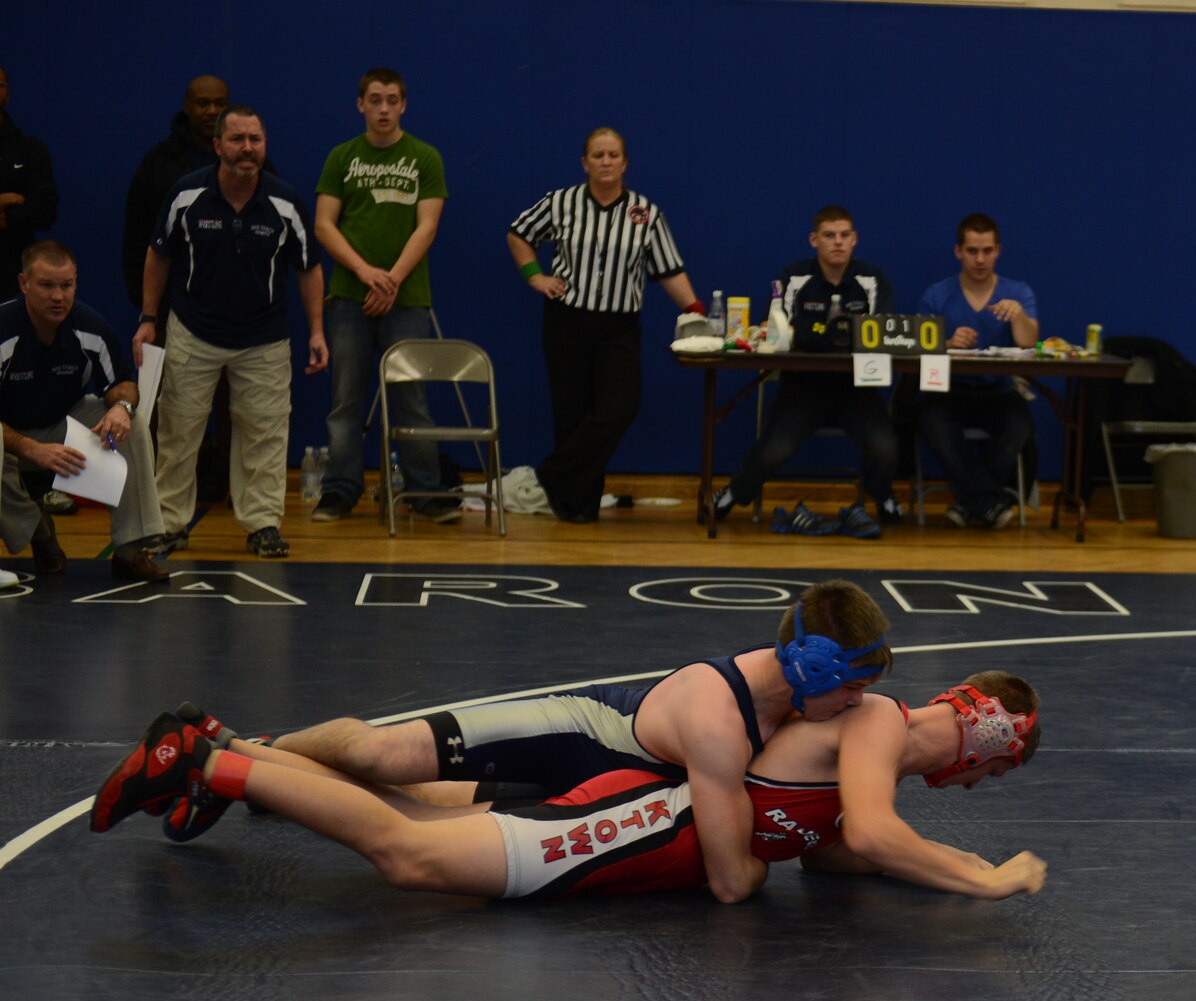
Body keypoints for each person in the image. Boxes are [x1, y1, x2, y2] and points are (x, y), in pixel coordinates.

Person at [160, 579, 895, 903]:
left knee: (416, 806)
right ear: (810, 668)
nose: (860, 704)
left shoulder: (799, 707)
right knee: (377, 758)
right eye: (853, 687)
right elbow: (731, 880)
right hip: (573, 733)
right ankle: (247, 745)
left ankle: (229, 757)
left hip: (607, 785)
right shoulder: (718, 720)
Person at [89, 673, 1048, 904]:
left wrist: (945, 861)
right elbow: (869, 836)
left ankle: (219, 750)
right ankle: (209, 762)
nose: (976, 788)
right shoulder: (879, 722)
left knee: (421, 817)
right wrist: (987, 880)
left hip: (650, 802)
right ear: (982, 740)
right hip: (650, 812)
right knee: (409, 850)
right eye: (995, 772)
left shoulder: (864, 751)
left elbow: (841, 851)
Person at [138, 105, 326, 559]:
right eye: (238, 139)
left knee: (264, 433)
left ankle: (262, 524)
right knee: (179, 431)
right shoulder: (186, 195)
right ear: (217, 145)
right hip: (193, 330)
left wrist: (317, 331)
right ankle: (169, 523)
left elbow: (309, 268)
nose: (248, 148)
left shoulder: (285, 202)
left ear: (264, 145)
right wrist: (148, 319)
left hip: (263, 337)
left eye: (255, 139)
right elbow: (157, 255)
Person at [506, 127, 706, 523]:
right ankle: (576, 508)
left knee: (620, 407)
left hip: (619, 327)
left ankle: (550, 474)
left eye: (613, 155)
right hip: (567, 322)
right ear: (585, 163)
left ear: (625, 162)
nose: (606, 162)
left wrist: (697, 310)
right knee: (571, 415)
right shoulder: (560, 203)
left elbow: (668, 269)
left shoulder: (646, 213)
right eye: (598, 155)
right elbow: (518, 234)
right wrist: (535, 276)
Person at [312, 67, 456, 524]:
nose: (384, 109)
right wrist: (364, 273)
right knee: (346, 401)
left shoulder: (424, 157)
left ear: (404, 106)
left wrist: (390, 279)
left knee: (410, 399)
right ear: (360, 104)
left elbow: (427, 226)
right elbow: (323, 225)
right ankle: (339, 492)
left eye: (392, 100)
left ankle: (425, 492)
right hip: (349, 299)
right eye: (375, 100)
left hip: (407, 298)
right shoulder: (341, 157)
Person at [708, 206, 901, 537]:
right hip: (802, 388)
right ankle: (730, 495)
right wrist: (838, 335)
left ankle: (881, 495)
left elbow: (878, 332)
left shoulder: (873, 278)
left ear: (854, 239)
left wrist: (811, 334)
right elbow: (779, 332)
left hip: (857, 388)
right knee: (774, 449)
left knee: (886, 447)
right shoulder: (793, 276)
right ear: (814, 240)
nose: (837, 243)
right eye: (829, 235)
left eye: (844, 236)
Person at [1, 242, 170, 583]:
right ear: (24, 284)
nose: (58, 296)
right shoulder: (4, 330)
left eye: (67, 285)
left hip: (60, 428)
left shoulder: (90, 328)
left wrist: (121, 408)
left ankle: (130, 549)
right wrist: (30, 448)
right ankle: (39, 532)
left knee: (132, 422)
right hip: (7, 439)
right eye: (47, 285)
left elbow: (123, 384)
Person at [121, 74, 241, 512]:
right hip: (175, 311)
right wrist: (147, 309)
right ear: (187, 107)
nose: (211, 111)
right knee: (167, 409)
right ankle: (157, 494)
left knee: (238, 408)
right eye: (203, 103)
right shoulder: (160, 163)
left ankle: (232, 487)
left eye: (219, 104)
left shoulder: (250, 158)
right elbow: (139, 238)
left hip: (238, 315)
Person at [914, 213, 1039, 530]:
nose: (980, 259)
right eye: (972, 251)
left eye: (987, 251)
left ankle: (967, 502)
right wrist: (946, 343)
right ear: (958, 252)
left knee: (1019, 424)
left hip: (998, 391)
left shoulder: (1018, 293)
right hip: (948, 390)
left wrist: (1018, 317)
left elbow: (1029, 342)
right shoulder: (936, 295)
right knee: (932, 421)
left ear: (997, 251)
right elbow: (917, 348)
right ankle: (988, 502)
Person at [0, 67, 58, 282]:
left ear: (8, 95)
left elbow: (44, 212)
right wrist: (9, 199)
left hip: (10, 273)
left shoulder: (30, 150)